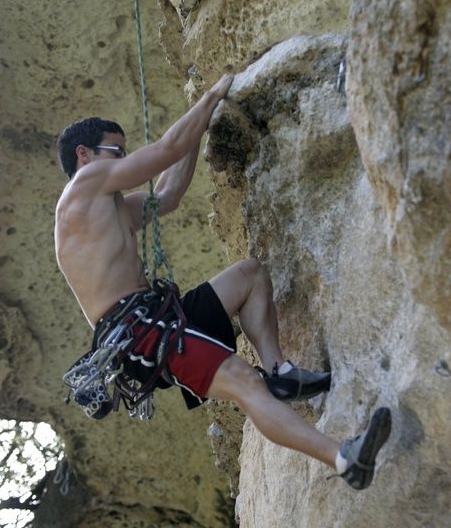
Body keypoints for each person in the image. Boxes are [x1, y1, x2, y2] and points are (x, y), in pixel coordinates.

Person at [55, 74, 391, 490]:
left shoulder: (110, 208)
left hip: (157, 319)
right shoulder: (82, 187)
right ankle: (343, 459)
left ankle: (280, 371)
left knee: (250, 275)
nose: (123, 161)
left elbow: (170, 192)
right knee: (244, 384)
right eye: (116, 152)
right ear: (84, 155)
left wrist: (202, 121)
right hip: (141, 332)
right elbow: (165, 150)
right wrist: (211, 95)